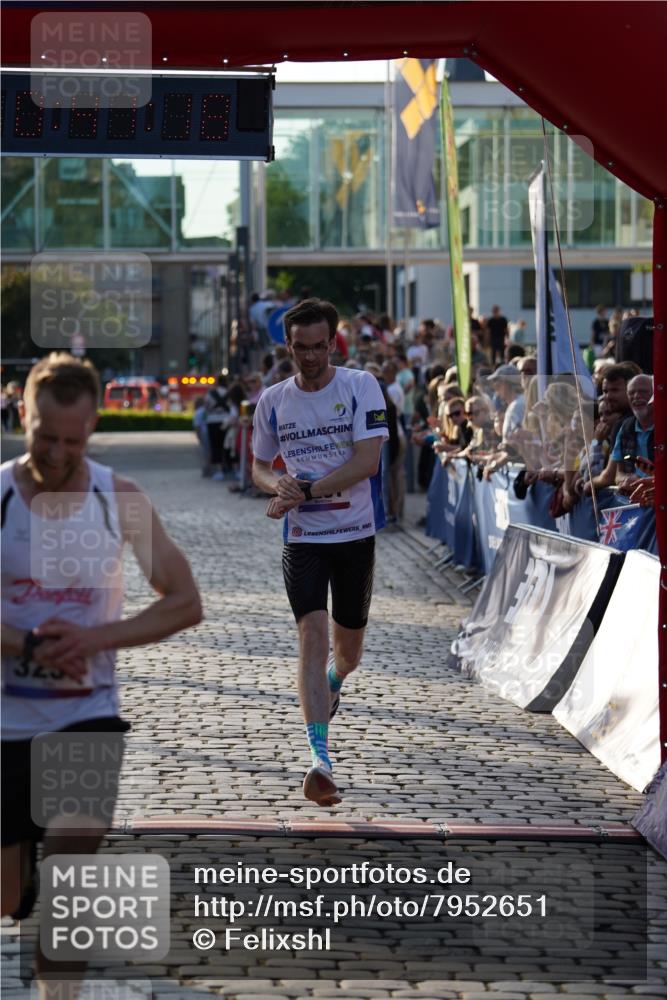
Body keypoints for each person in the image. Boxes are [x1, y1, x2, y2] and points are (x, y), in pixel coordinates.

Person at [1, 353, 202, 996]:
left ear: (91, 429)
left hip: (87, 713)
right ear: (22, 414)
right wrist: (26, 643)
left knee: (73, 864)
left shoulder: (119, 499)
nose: (57, 453)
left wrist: (94, 638)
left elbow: (183, 601)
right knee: (7, 899)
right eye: (44, 436)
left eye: (73, 441)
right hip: (5, 718)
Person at [251, 298, 388, 808]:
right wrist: (279, 485)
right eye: (299, 348)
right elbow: (260, 467)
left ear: (333, 343)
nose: (309, 357)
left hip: (354, 533)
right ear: (288, 345)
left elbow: (367, 462)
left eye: (318, 347)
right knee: (310, 635)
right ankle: (319, 759)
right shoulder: (273, 400)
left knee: (347, 653)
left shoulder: (360, 386)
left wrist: (307, 492)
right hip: (303, 539)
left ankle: (334, 682)